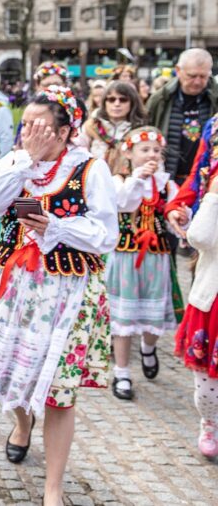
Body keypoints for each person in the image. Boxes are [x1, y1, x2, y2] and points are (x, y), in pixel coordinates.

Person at [0, 85, 117, 506]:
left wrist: (57, 227)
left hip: (65, 291)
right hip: (14, 285)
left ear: (66, 132)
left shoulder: (90, 169)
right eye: (25, 125)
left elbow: (106, 234)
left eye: (40, 128)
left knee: (59, 391)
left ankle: (52, 489)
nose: (29, 134)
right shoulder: (17, 161)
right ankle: (22, 425)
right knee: (11, 369)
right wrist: (26, 159)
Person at [105, 127, 178, 402]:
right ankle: (122, 372)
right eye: (145, 150)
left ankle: (148, 348)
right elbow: (124, 204)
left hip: (156, 257)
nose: (152, 155)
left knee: (152, 314)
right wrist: (139, 178)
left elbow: (175, 213)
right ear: (128, 153)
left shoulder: (167, 185)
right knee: (123, 317)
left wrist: (180, 218)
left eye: (157, 151)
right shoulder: (119, 180)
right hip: (125, 257)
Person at [174, 172, 218, 457]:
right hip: (213, 302)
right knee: (208, 389)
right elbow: (199, 237)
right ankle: (210, 422)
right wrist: (213, 195)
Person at [146, 48, 218, 187]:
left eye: (203, 76)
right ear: (178, 70)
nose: (197, 82)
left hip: (207, 180)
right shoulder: (160, 100)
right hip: (167, 179)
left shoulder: (215, 99)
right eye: (192, 76)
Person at [82, 80, 146, 175]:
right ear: (104, 102)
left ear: (132, 103)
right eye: (111, 99)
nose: (117, 104)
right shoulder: (91, 127)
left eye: (123, 100)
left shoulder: (140, 131)